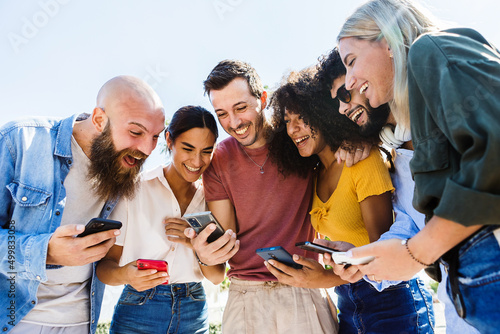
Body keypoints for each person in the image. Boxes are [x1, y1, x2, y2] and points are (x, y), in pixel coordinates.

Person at [336, 0, 500, 331]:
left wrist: (415, 253)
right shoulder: (413, 130)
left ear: (388, 39)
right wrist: (379, 259)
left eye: (351, 61)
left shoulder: (432, 46)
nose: (350, 81)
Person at [316, 47, 479, 333]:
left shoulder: (451, 111)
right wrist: (359, 258)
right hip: (462, 315)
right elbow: (405, 234)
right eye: (337, 105)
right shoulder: (398, 159)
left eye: (345, 94)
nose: (342, 108)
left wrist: (416, 253)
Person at [267, 68, 435, 333]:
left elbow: (381, 251)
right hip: (347, 301)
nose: (293, 129)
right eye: (287, 120)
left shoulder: (361, 160)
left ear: (323, 113)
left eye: (302, 117)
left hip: (392, 299)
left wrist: (323, 277)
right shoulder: (313, 175)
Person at [0, 75, 165, 333]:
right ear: (99, 119)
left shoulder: (123, 168)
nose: (146, 148)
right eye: (135, 132)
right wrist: (46, 252)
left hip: (80, 323)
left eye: (156, 137)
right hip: (14, 320)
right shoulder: (19, 142)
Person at [185, 60, 338, 333]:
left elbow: (333, 152)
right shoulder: (218, 159)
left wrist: (353, 147)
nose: (234, 123)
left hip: (302, 290)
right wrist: (206, 253)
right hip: (246, 297)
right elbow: (227, 238)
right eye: (222, 114)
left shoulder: (297, 137)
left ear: (263, 99)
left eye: (241, 108)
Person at [96, 105, 224, 334]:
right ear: (169, 140)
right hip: (139, 309)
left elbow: (216, 276)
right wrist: (127, 274)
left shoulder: (212, 199)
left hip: (193, 311)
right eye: (188, 148)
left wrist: (194, 242)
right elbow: (104, 268)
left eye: (207, 150)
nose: (197, 160)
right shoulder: (134, 190)